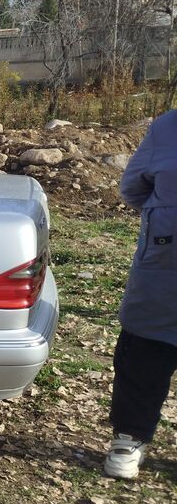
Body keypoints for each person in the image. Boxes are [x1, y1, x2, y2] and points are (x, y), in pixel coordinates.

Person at [105, 109, 177, 479]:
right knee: (146, 348)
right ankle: (129, 437)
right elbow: (133, 187)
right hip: (166, 265)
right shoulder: (168, 126)